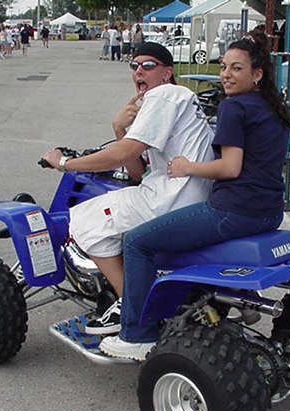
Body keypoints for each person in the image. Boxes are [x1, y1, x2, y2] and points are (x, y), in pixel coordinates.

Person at [98, 32, 290, 360]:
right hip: (270, 211)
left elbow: (230, 168)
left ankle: (136, 335)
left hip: (233, 210)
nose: (226, 74)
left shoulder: (234, 107)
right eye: (223, 67)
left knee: (136, 242)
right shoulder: (274, 108)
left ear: (257, 74)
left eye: (237, 68)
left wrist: (187, 167)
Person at [41, 42, 215, 334]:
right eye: (134, 66)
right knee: (116, 209)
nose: (138, 71)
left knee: (85, 221)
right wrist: (119, 129)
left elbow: (122, 154)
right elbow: (136, 172)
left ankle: (130, 306)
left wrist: (64, 163)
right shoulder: (182, 98)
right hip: (189, 196)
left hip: (172, 197)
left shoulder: (164, 95)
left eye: (148, 65)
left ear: (167, 73)